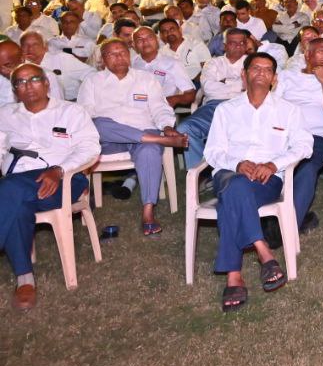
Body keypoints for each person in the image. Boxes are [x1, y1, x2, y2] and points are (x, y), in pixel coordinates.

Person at [203, 52, 313, 312]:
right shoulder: (226, 110)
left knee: (233, 196)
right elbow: (212, 151)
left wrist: (274, 164)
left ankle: (233, 276)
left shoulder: (289, 110)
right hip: (229, 173)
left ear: (274, 79)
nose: (261, 73)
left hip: (266, 179)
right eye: (255, 68)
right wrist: (237, 164)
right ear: (244, 75)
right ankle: (263, 251)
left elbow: (304, 146)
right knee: (236, 185)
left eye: (267, 70)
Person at [0, 63, 100, 309]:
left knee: (8, 191)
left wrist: (59, 170)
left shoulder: (71, 112)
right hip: (18, 181)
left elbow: (90, 148)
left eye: (34, 79)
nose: (28, 86)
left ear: (46, 83)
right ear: (15, 90)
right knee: (16, 202)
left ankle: (24, 279)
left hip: (64, 180)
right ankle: (25, 280)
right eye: (21, 82)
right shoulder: (5, 114)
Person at [77, 39, 188, 235]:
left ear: (129, 56)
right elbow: (85, 114)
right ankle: (159, 140)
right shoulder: (92, 81)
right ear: (103, 60)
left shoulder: (146, 78)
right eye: (112, 54)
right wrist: (160, 136)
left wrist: (167, 126)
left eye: (122, 52)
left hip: (143, 131)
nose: (119, 57)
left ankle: (148, 212)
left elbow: (159, 107)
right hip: (108, 139)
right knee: (98, 123)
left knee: (149, 150)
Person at [276, 36, 323, 237]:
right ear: (307, 54)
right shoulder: (287, 76)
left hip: (316, 136)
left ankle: (287, 230)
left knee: (306, 169)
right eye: (321, 51)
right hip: (285, 135)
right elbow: (272, 107)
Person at [177, 28, 250, 169]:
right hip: (215, 107)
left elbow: (254, 88)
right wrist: (240, 85)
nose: (238, 46)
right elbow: (208, 88)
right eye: (233, 43)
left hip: (245, 105)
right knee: (185, 128)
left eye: (242, 43)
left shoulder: (253, 63)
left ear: (246, 45)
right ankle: (200, 172)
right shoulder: (212, 63)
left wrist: (224, 81)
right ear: (224, 46)